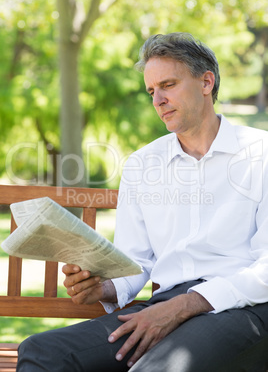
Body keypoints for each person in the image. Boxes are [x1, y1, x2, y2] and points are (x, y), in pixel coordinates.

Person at [17, 33, 268, 372]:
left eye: (168, 84)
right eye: (152, 91)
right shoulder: (142, 163)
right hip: (161, 307)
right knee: (43, 352)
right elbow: (135, 261)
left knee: (158, 367)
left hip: (240, 308)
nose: (158, 100)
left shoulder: (260, 153)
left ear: (206, 82)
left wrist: (184, 306)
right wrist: (102, 287)